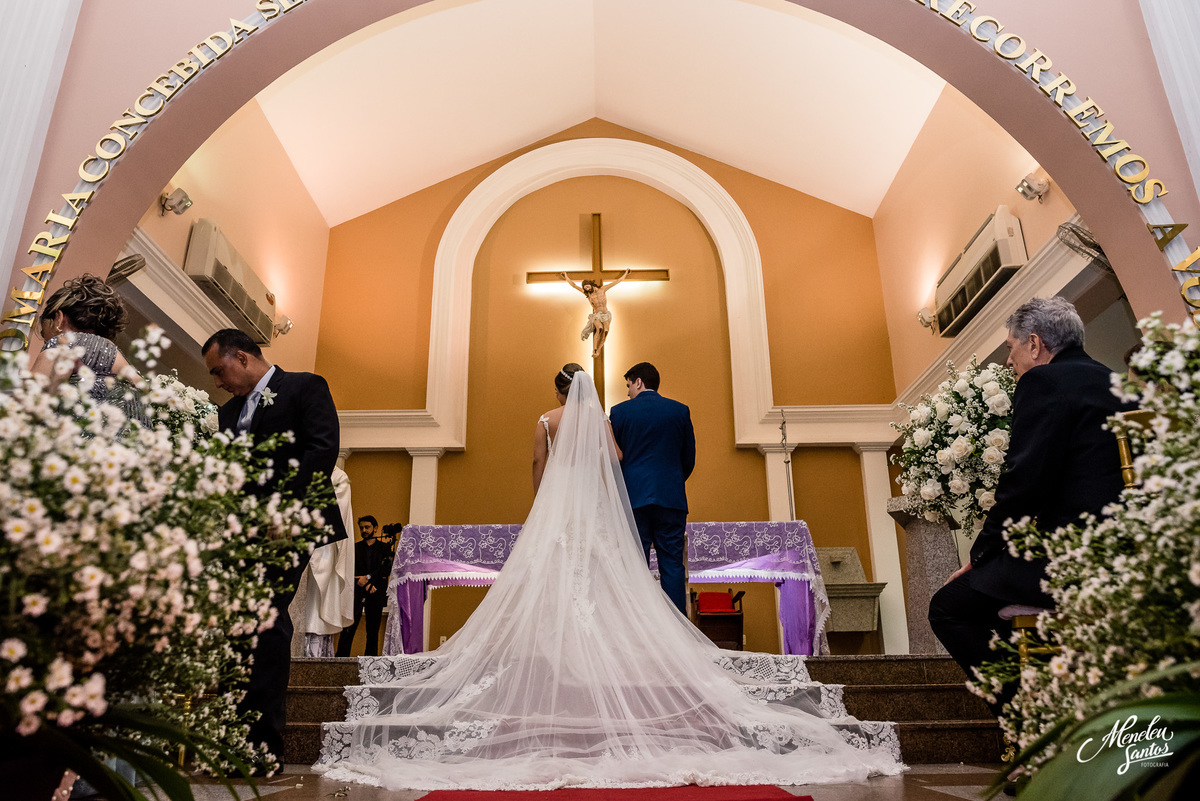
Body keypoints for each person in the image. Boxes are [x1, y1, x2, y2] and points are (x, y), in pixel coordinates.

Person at [314, 367, 901, 790]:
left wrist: (544, 508)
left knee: (551, 587)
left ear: (557, 391)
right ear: (590, 392)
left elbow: (538, 468)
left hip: (557, 515)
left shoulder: (545, 418)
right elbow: (616, 465)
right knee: (602, 586)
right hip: (600, 513)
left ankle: (553, 666)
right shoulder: (603, 422)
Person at [928, 297, 1134, 713]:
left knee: (948, 607)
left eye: (1011, 347)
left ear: (1035, 344)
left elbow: (1024, 484)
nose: (1009, 359)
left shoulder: (1043, 383)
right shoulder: (1116, 382)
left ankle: (1028, 715)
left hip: (1070, 556)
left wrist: (981, 555)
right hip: (1125, 552)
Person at [202, 327, 348, 768]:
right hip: (241, 531)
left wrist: (280, 511)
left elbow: (322, 450)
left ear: (242, 357)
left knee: (264, 617)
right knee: (241, 623)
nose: (217, 381)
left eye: (218, 370)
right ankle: (236, 738)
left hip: (289, 524)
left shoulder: (304, 386)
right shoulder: (228, 413)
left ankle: (263, 746)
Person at [608, 362, 696, 614]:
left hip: (634, 499)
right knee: (672, 565)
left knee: (635, 564)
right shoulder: (679, 411)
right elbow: (688, 457)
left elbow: (616, 458)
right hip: (671, 498)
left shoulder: (620, 412)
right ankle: (677, 628)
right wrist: (672, 482)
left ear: (638, 382)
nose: (627, 392)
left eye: (628, 385)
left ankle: (639, 627)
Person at [30, 274, 143, 421]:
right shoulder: (123, 364)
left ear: (58, 319)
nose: (46, 343)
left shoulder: (64, 345)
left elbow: (28, 409)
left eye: (45, 336)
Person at [336, 516, 393, 657]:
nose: (364, 530)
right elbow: (349, 571)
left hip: (376, 592)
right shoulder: (355, 548)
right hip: (356, 592)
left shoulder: (385, 548)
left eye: (367, 527)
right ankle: (341, 659)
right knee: (348, 627)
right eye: (361, 527)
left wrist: (368, 580)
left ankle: (370, 662)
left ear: (375, 528)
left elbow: (386, 569)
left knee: (373, 630)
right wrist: (363, 583)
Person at [561, 269, 629, 357]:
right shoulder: (588, 294)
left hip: (605, 315)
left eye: (587, 287)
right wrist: (566, 276)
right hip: (596, 315)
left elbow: (617, 281)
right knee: (599, 329)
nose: (587, 289)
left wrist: (626, 273)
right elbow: (574, 285)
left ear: (591, 284)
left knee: (605, 331)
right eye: (585, 288)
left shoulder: (603, 289)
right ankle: (594, 349)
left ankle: (599, 350)